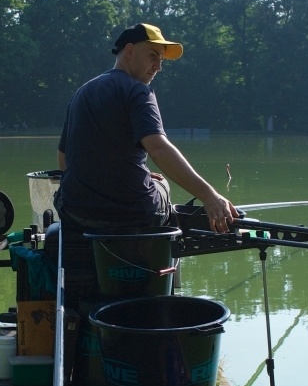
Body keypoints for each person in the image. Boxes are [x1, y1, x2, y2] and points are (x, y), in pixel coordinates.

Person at [56, 22, 241, 234]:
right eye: (153, 56)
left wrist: (134, 175)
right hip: (132, 214)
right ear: (130, 50)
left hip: (76, 213)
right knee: (163, 185)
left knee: (149, 180)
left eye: (161, 60)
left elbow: (64, 160)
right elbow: (158, 149)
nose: (158, 67)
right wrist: (209, 196)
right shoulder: (138, 92)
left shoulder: (82, 92)